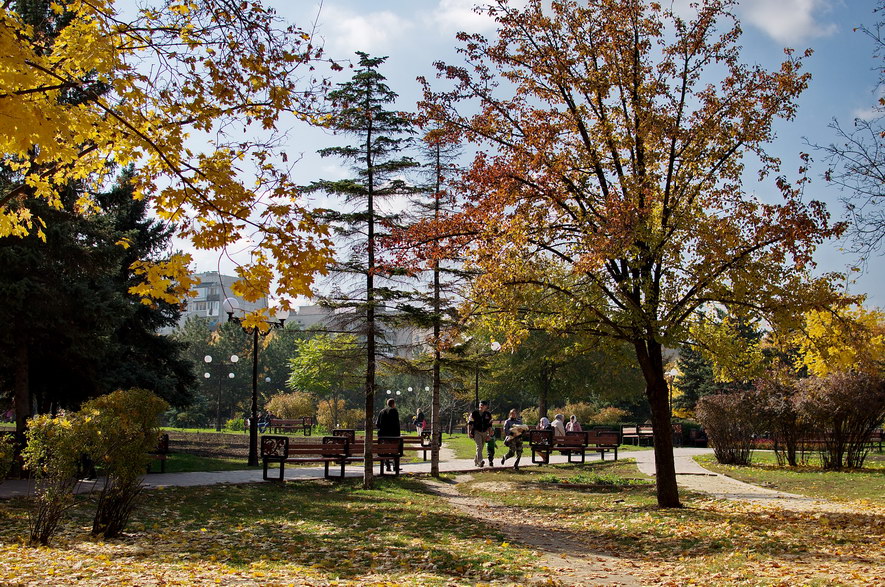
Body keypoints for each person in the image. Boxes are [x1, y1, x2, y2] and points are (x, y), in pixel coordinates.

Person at [376, 398, 401, 471]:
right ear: (393, 404)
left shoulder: (382, 411)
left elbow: (377, 424)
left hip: (383, 436)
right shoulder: (394, 411)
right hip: (393, 435)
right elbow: (396, 424)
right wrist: (398, 435)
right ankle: (395, 466)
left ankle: (387, 466)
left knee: (386, 450)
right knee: (395, 450)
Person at [468, 400, 493, 467]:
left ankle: (476, 460)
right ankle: (480, 461)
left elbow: (490, 425)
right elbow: (470, 423)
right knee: (479, 446)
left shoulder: (488, 414)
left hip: (485, 432)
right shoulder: (474, 413)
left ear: (486, 406)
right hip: (476, 431)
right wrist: (469, 432)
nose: (482, 406)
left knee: (481, 448)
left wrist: (489, 435)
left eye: (483, 405)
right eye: (480, 405)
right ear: (479, 405)